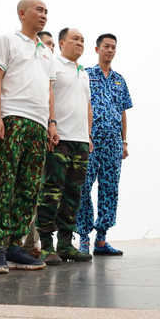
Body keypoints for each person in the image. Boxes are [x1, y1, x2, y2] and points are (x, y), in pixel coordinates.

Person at [0, 0, 57, 274]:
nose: (44, 15)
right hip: (12, 118)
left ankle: (15, 245)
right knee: (3, 183)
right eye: (39, 10)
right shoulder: (8, 40)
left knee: (29, 188)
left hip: (39, 125)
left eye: (47, 11)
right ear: (22, 13)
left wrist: (51, 123)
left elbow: (49, 91)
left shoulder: (47, 52)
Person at [35, 28, 94, 264]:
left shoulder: (84, 72)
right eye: (75, 39)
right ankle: (47, 245)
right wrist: (51, 125)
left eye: (82, 40)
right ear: (61, 43)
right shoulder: (53, 64)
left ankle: (66, 244)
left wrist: (88, 136)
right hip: (60, 139)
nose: (80, 43)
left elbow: (88, 107)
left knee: (73, 194)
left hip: (80, 141)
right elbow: (46, 95)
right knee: (51, 192)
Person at [77, 33, 133, 256]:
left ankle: (101, 239)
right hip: (90, 141)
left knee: (110, 189)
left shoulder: (120, 80)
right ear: (97, 49)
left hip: (113, 143)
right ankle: (83, 238)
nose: (110, 50)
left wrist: (124, 141)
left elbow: (123, 112)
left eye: (113, 47)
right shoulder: (86, 75)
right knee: (84, 187)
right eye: (106, 46)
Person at [21, 30, 57, 259]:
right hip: (28, 131)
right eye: (47, 43)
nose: (50, 48)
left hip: (48, 135)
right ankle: (12, 242)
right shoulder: (31, 66)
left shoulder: (52, 70)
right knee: (25, 189)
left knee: (40, 192)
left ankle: (33, 243)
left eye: (53, 44)